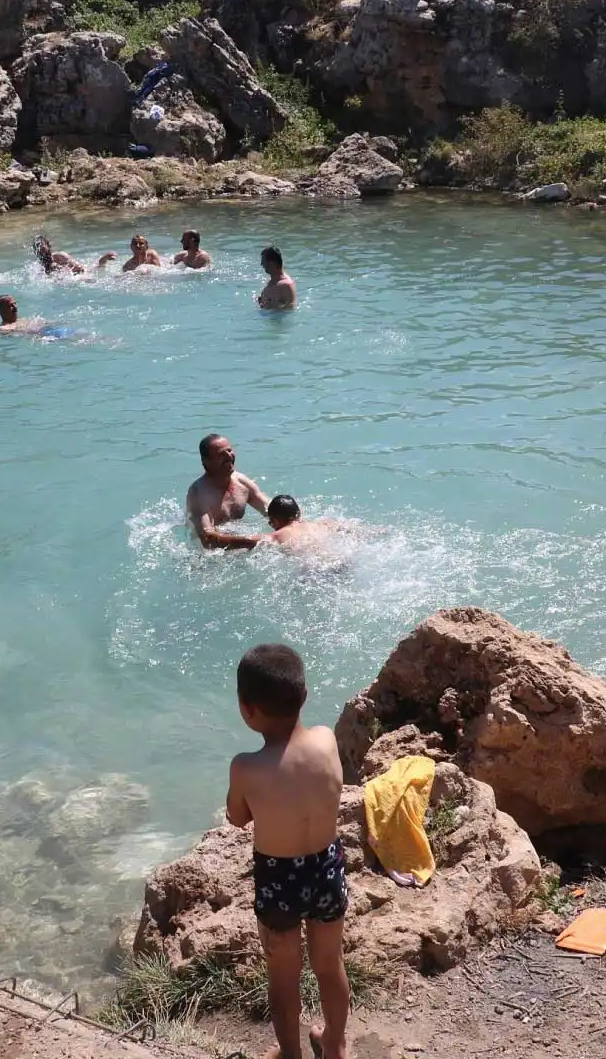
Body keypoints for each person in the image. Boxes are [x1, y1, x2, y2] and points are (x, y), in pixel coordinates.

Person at [227, 643, 349, 1059]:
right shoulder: (327, 740)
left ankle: (291, 1055)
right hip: (327, 867)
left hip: (279, 879)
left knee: (283, 977)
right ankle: (334, 1044)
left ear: (247, 709)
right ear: (305, 696)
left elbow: (237, 818)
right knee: (329, 966)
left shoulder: (246, 767)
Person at [186, 434, 270, 550]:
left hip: (238, 544)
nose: (228, 456)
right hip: (208, 557)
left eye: (229, 450)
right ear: (206, 461)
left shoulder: (241, 482)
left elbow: (270, 510)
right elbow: (207, 539)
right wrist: (254, 541)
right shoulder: (199, 493)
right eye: (221, 454)